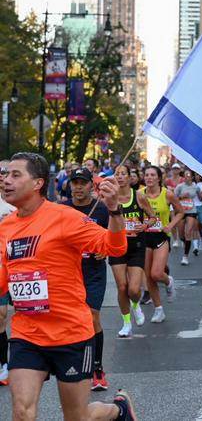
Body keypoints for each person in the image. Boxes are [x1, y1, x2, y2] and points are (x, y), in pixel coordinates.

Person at [0, 152, 137, 420]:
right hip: (27, 335)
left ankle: (118, 410)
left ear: (38, 183)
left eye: (15, 175)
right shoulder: (5, 227)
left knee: (77, 416)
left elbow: (114, 246)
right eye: (5, 175)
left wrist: (114, 211)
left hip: (70, 333)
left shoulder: (65, 217)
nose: (6, 180)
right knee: (21, 411)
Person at [62, 168, 112, 392]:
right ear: (70, 185)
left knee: (92, 317)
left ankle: (97, 369)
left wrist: (106, 249)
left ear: (91, 185)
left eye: (83, 182)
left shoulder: (101, 209)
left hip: (93, 271)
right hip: (68, 272)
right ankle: (74, 363)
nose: (78, 187)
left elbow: (112, 236)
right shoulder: (61, 209)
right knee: (72, 320)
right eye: (75, 182)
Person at [110, 165, 154, 339]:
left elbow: (152, 217)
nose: (120, 177)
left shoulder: (139, 197)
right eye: (117, 174)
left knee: (134, 289)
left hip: (136, 246)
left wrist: (145, 225)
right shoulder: (110, 199)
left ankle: (135, 304)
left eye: (123, 174)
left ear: (129, 177)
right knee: (122, 287)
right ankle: (126, 323)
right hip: (116, 247)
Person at [143, 166, 183, 323]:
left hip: (161, 237)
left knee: (157, 273)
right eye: (146, 175)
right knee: (148, 277)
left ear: (159, 178)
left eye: (152, 175)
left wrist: (170, 226)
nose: (149, 178)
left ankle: (169, 281)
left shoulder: (167, 194)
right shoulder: (140, 194)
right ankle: (159, 310)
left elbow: (180, 212)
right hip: (145, 237)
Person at [0, 160, 15, 386]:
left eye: (8, 173)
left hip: (16, 267)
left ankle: (4, 362)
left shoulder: (18, 205)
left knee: (2, 315)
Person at [175, 170, 202, 265]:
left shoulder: (195, 187)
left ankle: (185, 256)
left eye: (189, 176)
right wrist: (181, 197)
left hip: (192, 211)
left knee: (188, 233)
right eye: (185, 176)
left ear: (192, 177)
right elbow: (173, 199)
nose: (187, 177)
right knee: (181, 235)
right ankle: (186, 242)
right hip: (181, 212)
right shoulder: (180, 187)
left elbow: (201, 198)